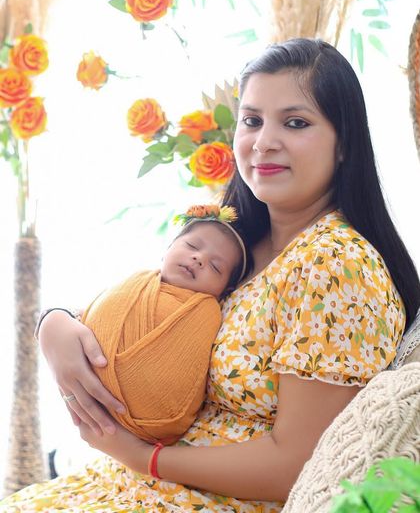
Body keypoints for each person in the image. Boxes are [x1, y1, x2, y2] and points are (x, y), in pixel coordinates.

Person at [2, 38, 420, 512]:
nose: (264, 141)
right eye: (252, 120)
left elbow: (299, 465)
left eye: (296, 122)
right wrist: (53, 323)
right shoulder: (239, 240)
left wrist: (144, 457)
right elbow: (144, 306)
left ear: (344, 143)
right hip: (139, 485)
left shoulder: (336, 264)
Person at [37, 204, 249, 445]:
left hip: (151, 431)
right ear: (167, 249)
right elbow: (94, 315)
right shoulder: (137, 281)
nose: (199, 259)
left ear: (225, 291)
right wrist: (51, 319)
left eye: (215, 267)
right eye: (191, 246)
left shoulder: (207, 310)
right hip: (89, 405)